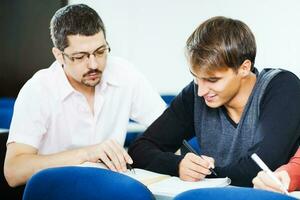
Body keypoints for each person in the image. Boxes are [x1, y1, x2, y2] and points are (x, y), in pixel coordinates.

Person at [4, 4, 166, 187]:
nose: (94, 64)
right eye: (80, 56)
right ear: (58, 55)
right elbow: (14, 171)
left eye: (100, 51)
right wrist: (85, 154)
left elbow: (167, 129)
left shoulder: (125, 74)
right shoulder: (38, 90)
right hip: (57, 192)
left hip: (108, 189)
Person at [128, 16, 300, 186]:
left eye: (212, 80)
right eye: (196, 77)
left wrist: (204, 174)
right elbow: (139, 150)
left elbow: (259, 169)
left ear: (244, 68)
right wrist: (178, 164)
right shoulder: (196, 93)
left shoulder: (282, 87)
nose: (201, 91)